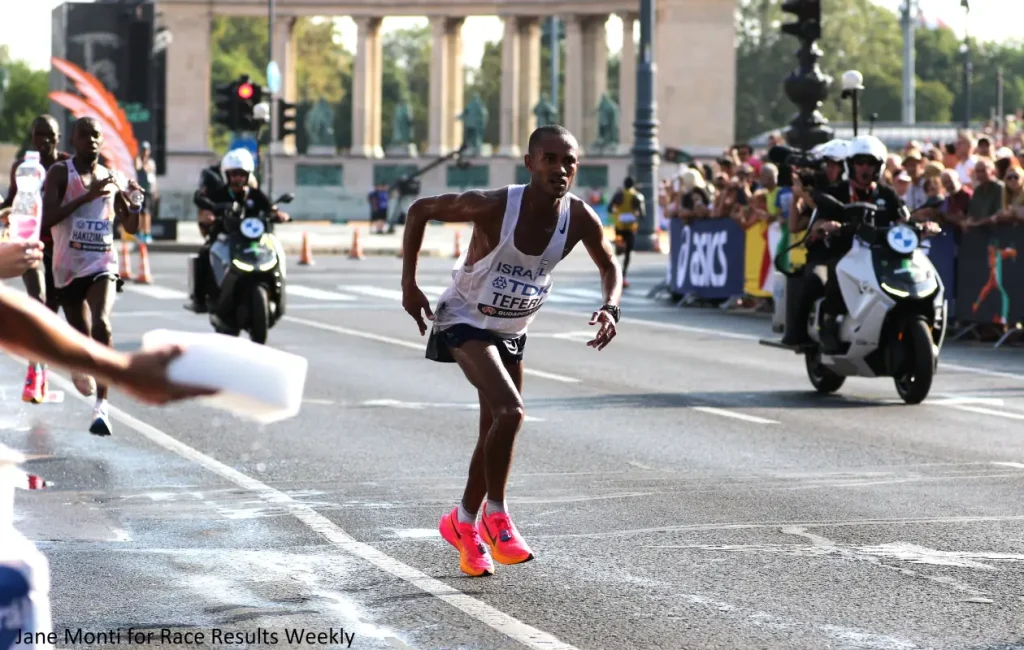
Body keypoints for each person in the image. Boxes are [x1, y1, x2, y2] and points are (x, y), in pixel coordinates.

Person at [400, 125, 623, 577]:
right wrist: (409, 284)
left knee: (494, 429)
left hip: (511, 328)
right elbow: (420, 209)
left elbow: (609, 264)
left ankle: (461, 522)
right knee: (511, 411)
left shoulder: (579, 218)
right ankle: (494, 514)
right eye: (550, 159)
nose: (561, 169)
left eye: (569, 161)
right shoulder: (495, 205)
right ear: (530, 162)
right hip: (464, 320)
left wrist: (610, 307)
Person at [41, 116, 143, 435]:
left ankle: (102, 407)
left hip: (102, 264)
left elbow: (130, 228)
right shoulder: (61, 173)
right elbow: (47, 218)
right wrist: (86, 196)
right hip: (67, 268)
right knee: (83, 341)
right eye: (85, 136)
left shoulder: (111, 178)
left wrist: (136, 205)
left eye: (97, 136)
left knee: (102, 324)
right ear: (73, 141)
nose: (93, 141)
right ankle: (80, 364)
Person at [804, 135, 940, 351]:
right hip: (847, 251)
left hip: (881, 253)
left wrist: (923, 227)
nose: (865, 168)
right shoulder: (837, 192)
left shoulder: (887, 193)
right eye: (860, 163)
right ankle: (830, 321)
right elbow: (819, 220)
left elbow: (904, 219)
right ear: (851, 165)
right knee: (837, 268)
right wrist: (827, 226)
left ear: (879, 166)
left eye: (871, 163)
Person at [0, 114, 70, 403]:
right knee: (37, 300)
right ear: (32, 138)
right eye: (38, 135)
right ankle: (34, 371)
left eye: (49, 136)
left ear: (58, 139)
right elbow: (12, 202)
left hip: (63, 247)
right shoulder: (22, 167)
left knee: (53, 311)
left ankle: (44, 365)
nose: (44, 141)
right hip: (31, 244)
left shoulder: (66, 166)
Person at [188, 148, 290, 314]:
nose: (237, 179)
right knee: (205, 253)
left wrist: (278, 215)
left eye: (241, 174)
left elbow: (270, 207)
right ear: (226, 176)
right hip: (224, 237)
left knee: (275, 249)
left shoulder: (255, 194)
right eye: (233, 174)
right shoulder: (218, 194)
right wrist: (209, 216)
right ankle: (199, 298)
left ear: (248, 175)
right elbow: (205, 206)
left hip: (253, 240)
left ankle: (277, 292)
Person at [607, 176, 644, 288]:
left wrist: (617, 212)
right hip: (631, 229)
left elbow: (609, 209)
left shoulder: (618, 195)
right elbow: (643, 214)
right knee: (628, 253)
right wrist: (634, 215)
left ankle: (613, 275)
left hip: (619, 228)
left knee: (617, 252)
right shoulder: (637, 196)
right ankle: (623, 276)